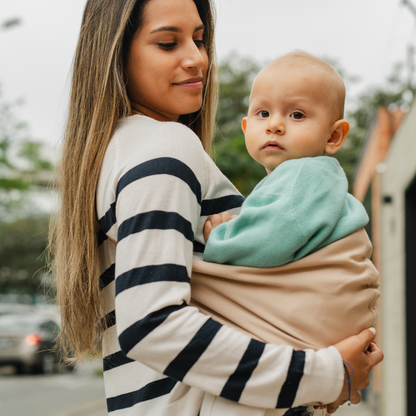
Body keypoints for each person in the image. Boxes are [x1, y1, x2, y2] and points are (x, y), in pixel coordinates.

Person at [50, 1, 383, 416]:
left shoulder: (113, 154)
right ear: (116, 54)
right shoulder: (164, 146)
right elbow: (152, 324)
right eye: (169, 43)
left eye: (200, 39)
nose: (197, 59)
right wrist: (328, 374)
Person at [197, 52, 380, 416]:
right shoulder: (305, 180)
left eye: (296, 115)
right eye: (264, 114)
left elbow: (268, 240)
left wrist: (219, 239)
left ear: (333, 135)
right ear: (247, 127)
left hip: (307, 329)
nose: (276, 125)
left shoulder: (305, 176)